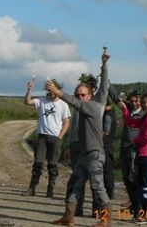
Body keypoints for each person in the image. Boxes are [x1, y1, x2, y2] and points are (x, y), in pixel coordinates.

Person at [49, 51, 111, 227]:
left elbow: (104, 86)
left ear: (90, 96)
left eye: (83, 95)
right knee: (74, 184)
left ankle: (106, 221)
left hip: (94, 155)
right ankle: (68, 217)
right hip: (84, 155)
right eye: (78, 95)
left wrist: (104, 65)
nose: (80, 98)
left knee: (98, 187)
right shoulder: (83, 109)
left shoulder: (93, 107)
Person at [119, 91, 147, 223]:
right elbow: (133, 123)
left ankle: (145, 214)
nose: (146, 105)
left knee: (144, 185)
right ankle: (143, 213)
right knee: (143, 184)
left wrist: (136, 141)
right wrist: (125, 110)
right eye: (144, 102)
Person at [22, 78, 71, 198]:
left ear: (57, 89)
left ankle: (50, 189)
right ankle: (32, 188)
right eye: (48, 89)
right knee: (38, 163)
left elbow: (66, 123)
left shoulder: (63, 104)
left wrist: (60, 137)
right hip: (42, 137)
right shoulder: (42, 101)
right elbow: (27, 102)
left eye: (53, 89)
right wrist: (29, 90)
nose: (50, 92)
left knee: (52, 164)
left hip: (55, 138)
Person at [101, 100, 116, 199]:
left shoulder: (107, 115)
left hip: (106, 146)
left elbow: (106, 131)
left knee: (107, 170)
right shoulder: (111, 114)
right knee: (108, 170)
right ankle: (109, 192)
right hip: (109, 145)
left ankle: (109, 193)